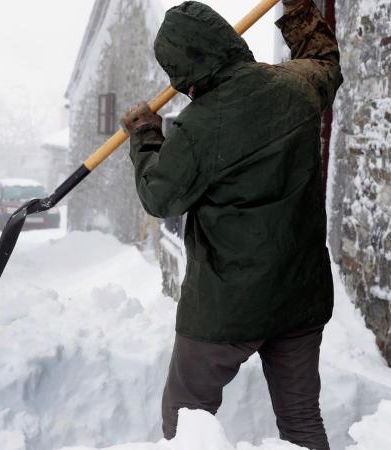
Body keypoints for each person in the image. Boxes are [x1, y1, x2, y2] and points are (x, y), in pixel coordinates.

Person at [120, 1, 342, 449]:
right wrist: (299, 11)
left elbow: (159, 196)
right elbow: (325, 62)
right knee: (301, 421)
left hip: (226, 308)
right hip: (299, 295)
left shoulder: (197, 129)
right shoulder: (297, 85)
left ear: (183, 73)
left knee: (186, 418)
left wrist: (145, 134)